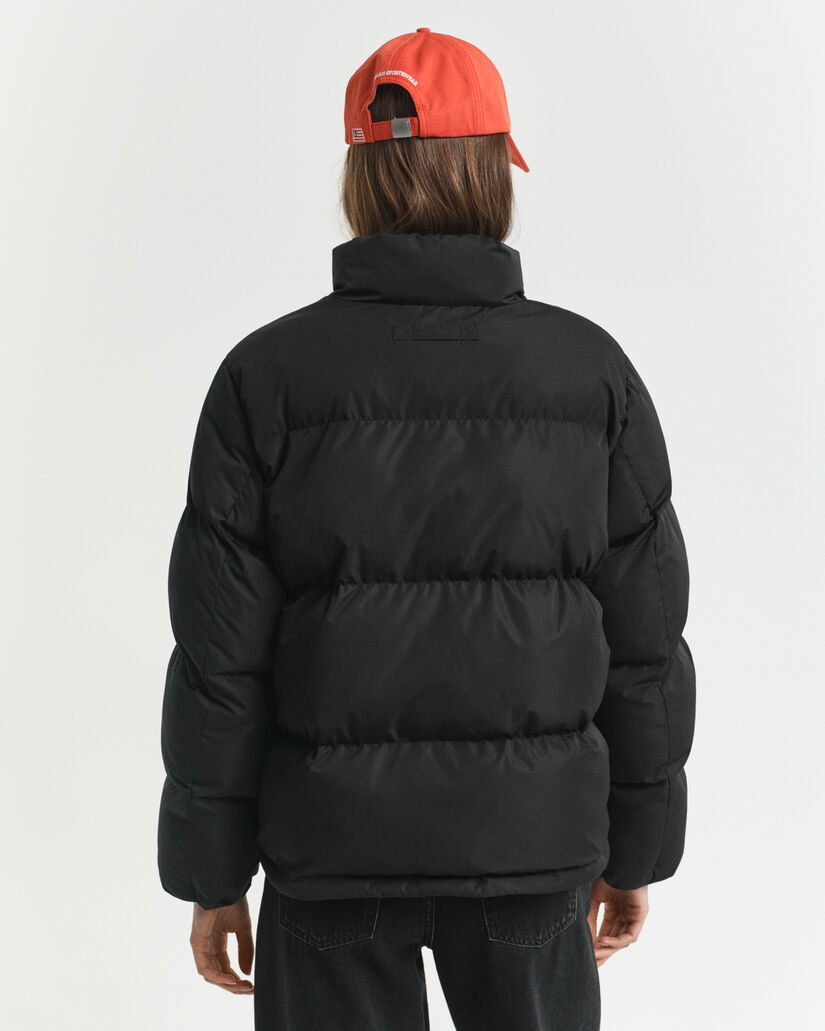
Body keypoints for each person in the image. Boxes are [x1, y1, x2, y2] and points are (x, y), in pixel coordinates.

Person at [157, 27, 696, 1031]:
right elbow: (645, 646)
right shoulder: (589, 373)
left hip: (330, 851)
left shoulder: (264, 378)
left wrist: (212, 872)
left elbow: (219, 658)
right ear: (493, 169)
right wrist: (637, 846)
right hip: (530, 845)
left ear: (361, 175)